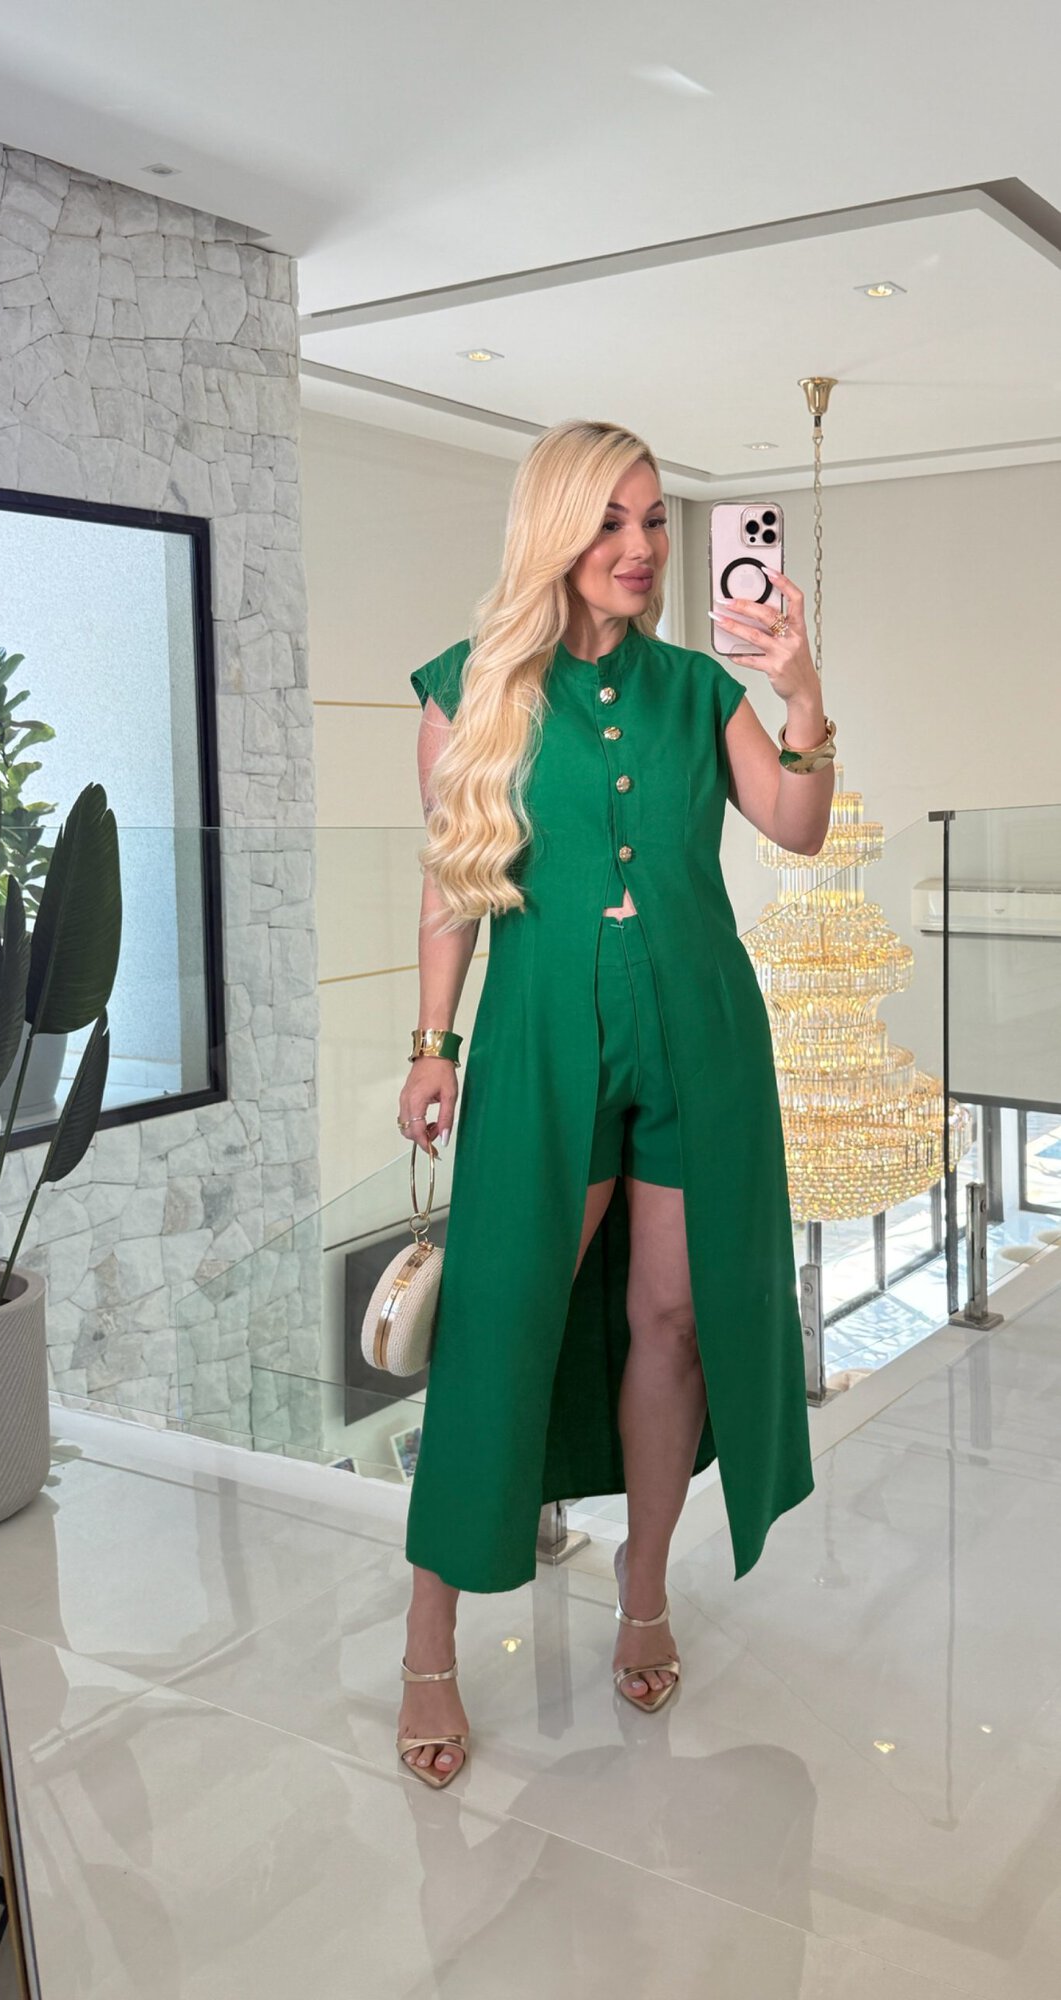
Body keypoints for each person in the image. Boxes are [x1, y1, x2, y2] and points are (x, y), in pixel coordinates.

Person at [394, 420, 836, 1787]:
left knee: (674, 1317)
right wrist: (433, 1042)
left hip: (701, 1026)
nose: (640, 547)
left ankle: (643, 1591)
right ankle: (428, 1639)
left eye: (652, 520)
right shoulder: (469, 687)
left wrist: (799, 691)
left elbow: (799, 826)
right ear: (554, 530)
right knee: (501, 1318)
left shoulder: (699, 687)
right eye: (610, 521)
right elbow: (454, 881)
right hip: (540, 1029)